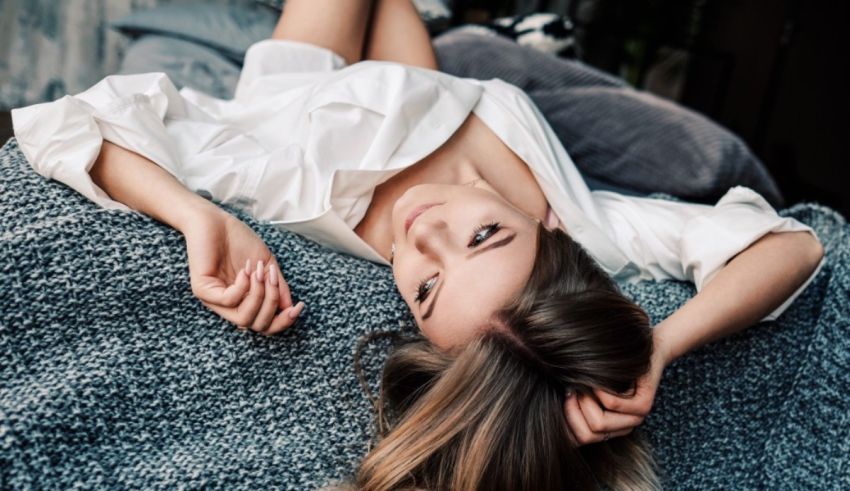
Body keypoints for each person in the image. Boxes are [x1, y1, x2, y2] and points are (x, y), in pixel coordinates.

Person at [11, 0, 824, 489]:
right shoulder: (593, 230)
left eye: (425, 286)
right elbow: (791, 245)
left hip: (311, 98)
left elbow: (69, 121)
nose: (422, 227)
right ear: (551, 236)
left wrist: (193, 214)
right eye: (483, 233)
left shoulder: (281, 180)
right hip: (439, 88)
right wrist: (660, 342)